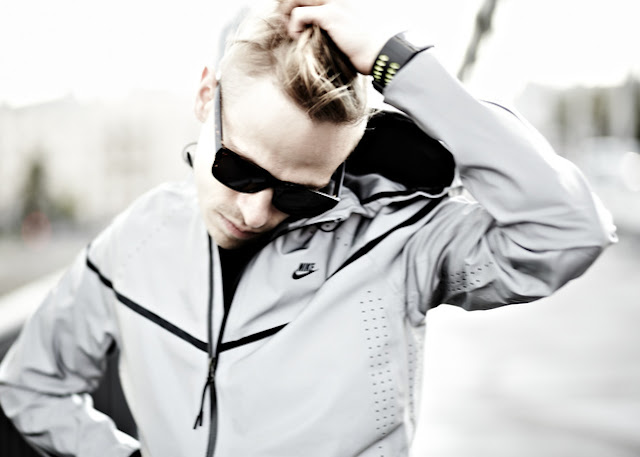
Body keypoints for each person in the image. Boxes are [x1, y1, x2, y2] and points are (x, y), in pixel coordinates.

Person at [0, 0, 616, 456]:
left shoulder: (396, 242)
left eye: (300, 193)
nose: (255, 213)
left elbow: (568, 231)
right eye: (238, 169)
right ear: (205, 96)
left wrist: (401, 65)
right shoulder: (138, 239)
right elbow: (31, 385)